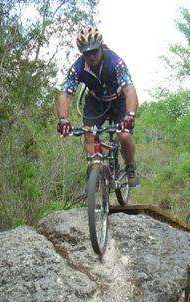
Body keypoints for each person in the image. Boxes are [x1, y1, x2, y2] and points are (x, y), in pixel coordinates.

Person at [56, 27, 139, 186]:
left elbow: (129, 89)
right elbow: (65, 94)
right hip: (96, 101)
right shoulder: (77, 68)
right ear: (82, 53)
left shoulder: (115, 62)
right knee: (88, 134)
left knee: (124, 135)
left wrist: (130, 115)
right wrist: (63, 120)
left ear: (101, 47)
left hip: (119, 99)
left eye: (94, 51)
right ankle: (95, 167)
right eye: (87, 53)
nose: (92, 56)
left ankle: (130, 166)